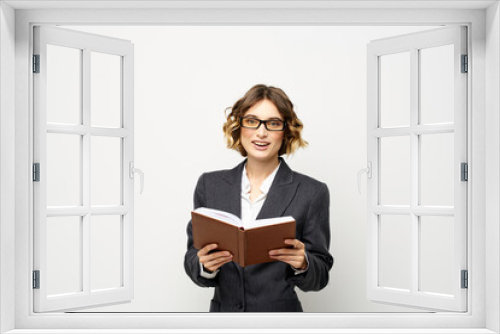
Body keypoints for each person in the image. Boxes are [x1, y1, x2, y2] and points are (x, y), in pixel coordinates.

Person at [184, 84, 333, 312]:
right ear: (239, 126)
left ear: (286, 131)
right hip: (224, 322)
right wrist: (205, 266)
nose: (261, 133)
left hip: (281, 324)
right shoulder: (209, 185)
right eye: (252, 121)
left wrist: (304, 263)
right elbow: (192, 258)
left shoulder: (312, 192)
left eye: (273, 124)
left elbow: (320, 276)